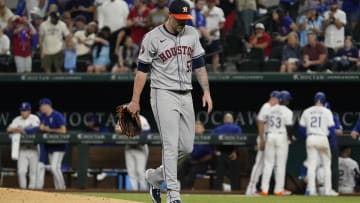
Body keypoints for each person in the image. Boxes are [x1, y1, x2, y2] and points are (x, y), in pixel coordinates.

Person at [126, 0, 213, 202]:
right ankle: (173, 195)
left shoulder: (191, 33)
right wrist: (135, 100)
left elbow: (200, 65)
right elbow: (141, 71)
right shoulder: (152, 37)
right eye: (179, 18)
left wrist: (206, 91)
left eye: (186, 18)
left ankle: (155, 177)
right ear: (170, 15)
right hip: (163, 93)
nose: (183, 22)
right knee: (171, 145)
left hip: (187, 94)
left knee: (187, 147)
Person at [299, 92, 338, 196]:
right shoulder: (327, 111)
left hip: (311, 137)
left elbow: (301, 128)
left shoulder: (307, 111)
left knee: (311, 165)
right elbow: (332, 129)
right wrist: (334, 143)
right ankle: (327, 191)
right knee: (326, 165)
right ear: (324, 101)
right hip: (322, 138)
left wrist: (308, 138)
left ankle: (311, 191)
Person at [245, 90, 281, 195]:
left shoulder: (272, 108)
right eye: (278, 99)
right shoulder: (266, 106)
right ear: (274, 98)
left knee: (265, 165)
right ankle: (250, 188)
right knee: (259, 164)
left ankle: (255, 188)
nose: (278, 102)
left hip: (268, 137)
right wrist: (262, 139)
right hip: (264, 137)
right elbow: (260, 123)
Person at [259, 91, 294, 196]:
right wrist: (290, 137)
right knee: (280, 164)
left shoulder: (270, 108)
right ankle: (278, 190)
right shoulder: (288, 111)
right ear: (286, 100)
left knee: (268, 164)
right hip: (281, 136)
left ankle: (264, 190)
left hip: (270, 135)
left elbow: (261, 120)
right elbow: (289, 126)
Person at [6, 102, 40, 189]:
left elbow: (37, 130)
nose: (23, 112)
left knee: (33, 172)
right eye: (22, 110)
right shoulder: (17, 119)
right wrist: (17, 129)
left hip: (33, 149)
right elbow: (8, 129)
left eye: (25, 110)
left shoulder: (34, 118)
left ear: (29, 111)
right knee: (21, 172)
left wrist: (24, 130)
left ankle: (32, 192)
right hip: (22, 149)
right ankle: (23, 191)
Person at [37, 98, 67, 190]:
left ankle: (62, 189)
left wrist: (47, 129)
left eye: (42, 106)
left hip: (59, 146)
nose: (40, 108)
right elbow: (41, 128)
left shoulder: (57, 115)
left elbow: (63, 130)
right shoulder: (43, 117)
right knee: (55, 169)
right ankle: (58, 189)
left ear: (47, 105)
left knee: (54, 168)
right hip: (49, 146)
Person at [115, 115, 151, 191]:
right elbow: (117, 130)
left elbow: (147, 132)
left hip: (140, 147)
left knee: (140, 171)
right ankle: (134, 191)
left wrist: (133, 130)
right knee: (131, 172)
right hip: (129, 146)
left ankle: (144, 191)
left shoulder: (141, 119)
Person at [178, 120, 213, 190]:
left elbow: (210, 155)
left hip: (202, 163)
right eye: (195, 128)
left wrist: (199, 161)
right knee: (180, 168)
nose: (196, 129)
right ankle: (183, 189)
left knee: (193, 170)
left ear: (203, 129)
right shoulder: (190, 139)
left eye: (198, 127)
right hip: (190, 162)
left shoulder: (207, 139)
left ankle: (188, 189)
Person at [212, 113, 242, 191]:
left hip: (221, 153)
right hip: (232, 153)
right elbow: (239, 141)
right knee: (234, 174)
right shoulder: (237, 128)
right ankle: (236, 191)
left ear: (224, 120)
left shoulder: (217, 129)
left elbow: (212, 140)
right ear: (231, 120)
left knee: (219, 174)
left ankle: (217, 191)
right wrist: (235, 152)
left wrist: (216, 150)